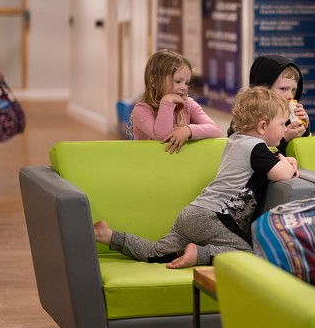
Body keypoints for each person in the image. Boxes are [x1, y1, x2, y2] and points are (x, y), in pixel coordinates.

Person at [93, 86, 299, 268]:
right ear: (262, 126)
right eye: (282, 124)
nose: (285, 128)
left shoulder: (236, 141)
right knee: (250, 253)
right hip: (216, 217)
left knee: (156, 252)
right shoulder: (256, 148)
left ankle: (109, 236)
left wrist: (280, 159)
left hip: (193, 213)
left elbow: (265, 164)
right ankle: (200, 254)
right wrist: (288, 162)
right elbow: (282, 173)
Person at [131, 49, 222, 153]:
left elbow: (215, 130)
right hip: (149, 162)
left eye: (186, 83)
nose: (184, 87)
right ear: (154, 81)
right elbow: (163, 136)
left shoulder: (188, 104)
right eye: (178, 81)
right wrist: (167, 102)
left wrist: (188, 130)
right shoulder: (141, 110)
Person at [227, 54, 310, 154]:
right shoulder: (246, 120)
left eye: (293, 90)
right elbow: (252, 155)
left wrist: (304, 129)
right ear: (263, 89)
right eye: (283, 89)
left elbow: (305, 153)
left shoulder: (289, 117)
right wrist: (284, 138)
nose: (290, 96)